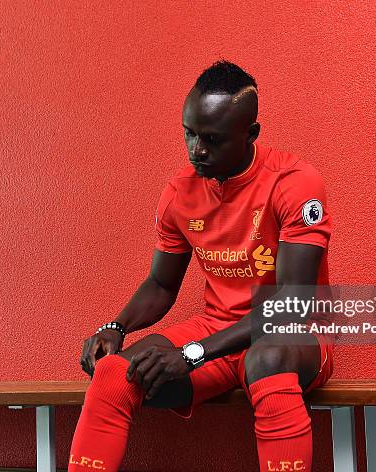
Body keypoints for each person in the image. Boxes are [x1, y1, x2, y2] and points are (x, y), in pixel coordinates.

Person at [69, 60, 334, 472]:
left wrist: (193, 353)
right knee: (114, 375)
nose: (197, 150)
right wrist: (116, 327)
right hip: (217, 334)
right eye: (189, 134)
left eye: (212, 139)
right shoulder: (180, 192)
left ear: (251, 134)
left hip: (292, 339)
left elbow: (293, 303)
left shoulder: (293, 182)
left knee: (266, 359)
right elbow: (160, 283)